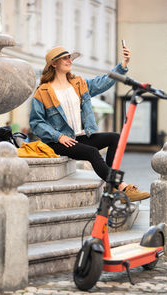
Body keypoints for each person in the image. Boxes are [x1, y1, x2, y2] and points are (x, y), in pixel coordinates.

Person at [29, 45, 150, 202]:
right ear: (54, 64)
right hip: (57, 142)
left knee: (115, 138)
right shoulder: (43, 92)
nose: (69, 60)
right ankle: (122, 187)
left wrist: (123, 64)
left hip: (78, 137)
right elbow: (36, 122)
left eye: (69, 57)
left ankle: (111, 185)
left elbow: (103, 82)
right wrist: (58, 136)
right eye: (65, 58)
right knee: (92, 152)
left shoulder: (78, 84)